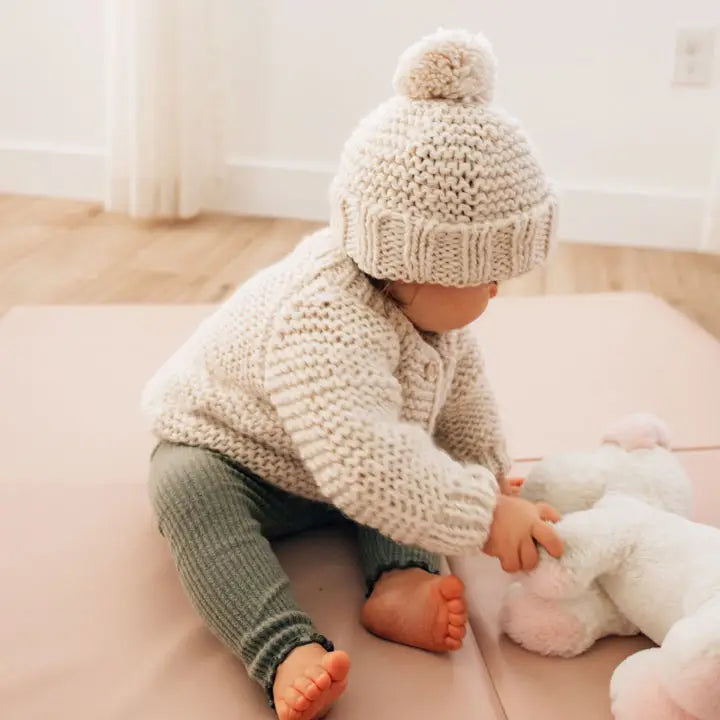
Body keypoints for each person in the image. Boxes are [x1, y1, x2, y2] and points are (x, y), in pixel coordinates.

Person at [143, 28, 563, 720]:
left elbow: (462, 405)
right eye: (486, 273)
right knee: (186, 491)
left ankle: (400, 580)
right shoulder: (325, 319)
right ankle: (281, 648)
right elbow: (366, 462)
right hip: (234, 451)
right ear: (412, 263)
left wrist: (485, 477)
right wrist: (483, 517)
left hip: (337, 463)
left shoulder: (429, 312)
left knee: (409, 446)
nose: (497, 290)